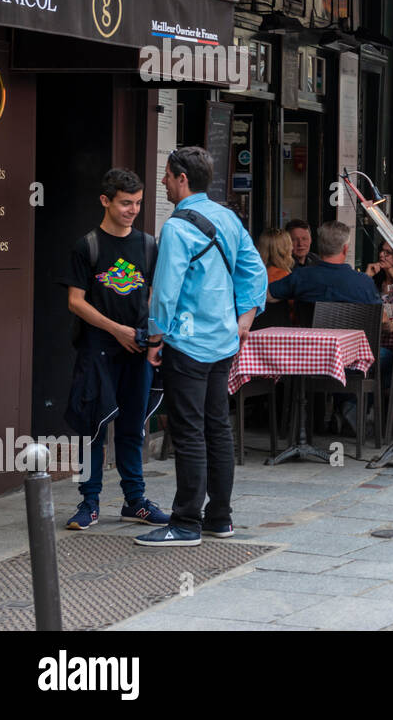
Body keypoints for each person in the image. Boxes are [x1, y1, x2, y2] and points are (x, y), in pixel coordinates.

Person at [141, 147, 267, 546]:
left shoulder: (177, 228)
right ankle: (220, 517)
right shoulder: (228, 218)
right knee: (217, 427)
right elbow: (255, 270)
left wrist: (155, 337)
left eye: (165, 175)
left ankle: (185, 523)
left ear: (181, 178)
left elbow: (164, 292)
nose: (162, 182)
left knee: (189, 431)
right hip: (224, 343)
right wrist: (245, 317)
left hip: (188, 343)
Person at [62, 168, 168, 531]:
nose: (133, 210)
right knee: (93, 425)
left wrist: (153, 338)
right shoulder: (87, 245)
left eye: (137, 203)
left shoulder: (149, 245)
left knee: (132, 426)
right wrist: (115, 329)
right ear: (105, 201)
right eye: (125, 203)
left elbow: (155, 295)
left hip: (137, 347)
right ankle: (89, 502)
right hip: (98, 348)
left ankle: (135, 501)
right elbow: (76, 302)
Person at [268, 221, 381, 432]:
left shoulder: (301, 277)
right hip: (352, 361)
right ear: (346, 248)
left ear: (319, 246)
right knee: (388, 359)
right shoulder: (363, 283)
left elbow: (267, 295)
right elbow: (381, 322)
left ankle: (344, 409)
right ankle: (351, 406)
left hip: (309, 360)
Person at [365, 242, 393, 405]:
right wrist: (367, 277)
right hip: (372, 341)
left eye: (388, 253)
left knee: (374, 361)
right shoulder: (375, 282)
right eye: (381, 251)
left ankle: (372, 408)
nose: (382, 255)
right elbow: (358, 303)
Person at [253, 227, 295, 328]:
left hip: (253, 331)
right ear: (284, 249)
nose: (292, 248)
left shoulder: (253, 275)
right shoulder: (285, 277)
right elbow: (294, 311)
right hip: (278, 332)